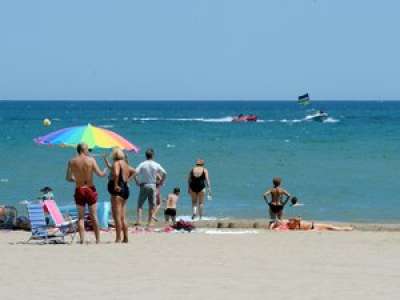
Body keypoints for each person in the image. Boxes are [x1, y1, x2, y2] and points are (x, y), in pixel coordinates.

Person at [66, 143, 107, 244]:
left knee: (80, 217)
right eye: (88, 149)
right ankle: (97, 240)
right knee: (94, 215)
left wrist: (75, 179)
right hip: (90, 189)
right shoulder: (91, 160)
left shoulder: (71, 161)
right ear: (84, 150)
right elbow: (100, 174)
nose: (89, 151)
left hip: (79, 189)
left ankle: (82, 240)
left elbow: (68, 178)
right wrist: (105, 170)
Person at [105, 148, 135, 243]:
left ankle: (118, 237)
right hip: (125, 189)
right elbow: (134, 171)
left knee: (116, 216)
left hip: (117, 191)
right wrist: (128, 180)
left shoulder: (117, 163)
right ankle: (125, 237)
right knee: (122, 216)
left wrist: (116, 184)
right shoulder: (125, 164)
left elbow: (116, 173)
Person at [135, 148, 167, 227]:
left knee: (140, 204)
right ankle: (149, 222)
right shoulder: (156, 164)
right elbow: (165, 173)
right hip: (153, 185)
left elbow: (134, 172)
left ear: (146, 156)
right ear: (153, 155)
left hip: (144, 185)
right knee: (152, 205)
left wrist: (137, 181)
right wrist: (162, 181)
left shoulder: (142, 164)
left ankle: (139, 220)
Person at [270, 217, 353, 231]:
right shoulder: (288, 225)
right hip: (313, 226)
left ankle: (346, 228)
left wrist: (272, 227)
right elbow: (299, 219)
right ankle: (347, 228)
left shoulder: (288, 224)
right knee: (331, 227)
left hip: (313, 226)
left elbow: (275, 224)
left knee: (331, 228)